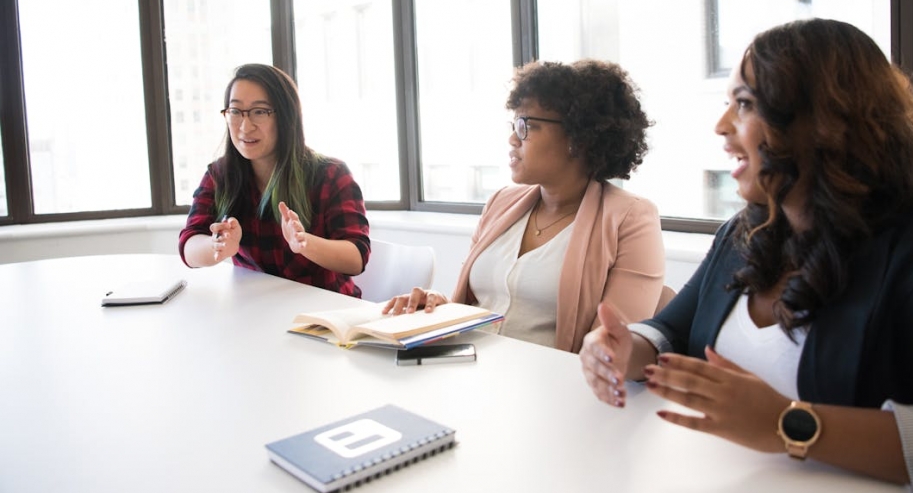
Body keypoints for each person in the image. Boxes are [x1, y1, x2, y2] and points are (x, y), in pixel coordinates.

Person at [579, 19, 913, 493]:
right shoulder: (746, 230)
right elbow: (675, 333)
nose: (722, 126)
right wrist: (624, 350)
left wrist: (788, 424)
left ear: (824, 121)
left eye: (744, 104)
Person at [384, 59, 665, 353]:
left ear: (578, 138)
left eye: (525, 125)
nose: (512, 139)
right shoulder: (500, 203)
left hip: (551, 389)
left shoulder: (631, 218)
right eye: (513, 124)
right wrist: (438, 307)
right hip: (466, 371)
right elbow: (477, 306)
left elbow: (612, 350)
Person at [179, 63, 370, 296]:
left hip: (324, 315)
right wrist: (216, 246)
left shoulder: (330, 174)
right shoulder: (220, 176)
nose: (245, 126)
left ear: (286, 117)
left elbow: (356, 258)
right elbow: (189, 246)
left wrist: (305, 243)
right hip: (257, 311)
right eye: (236, 111)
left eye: (260, 112)